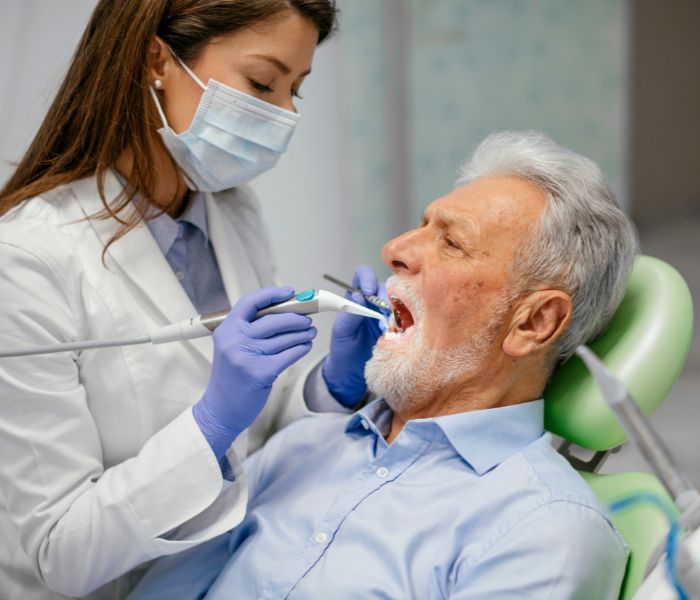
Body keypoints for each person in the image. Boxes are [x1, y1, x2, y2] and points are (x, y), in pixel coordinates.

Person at [130, 130, 639, 599]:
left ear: (534, 323)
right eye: (421, 225)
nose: (393, 250)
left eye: (452, 242)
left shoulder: (544, 532)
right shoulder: (306, 444)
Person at [0, 2, 384, 599]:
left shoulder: (232, 212)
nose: (283, 115)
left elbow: (262, 429)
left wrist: (328, 387)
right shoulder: (25, 258)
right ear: (158, 59)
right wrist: (208, 427)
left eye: (296, 92)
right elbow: (59, 553)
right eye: (262, 82)